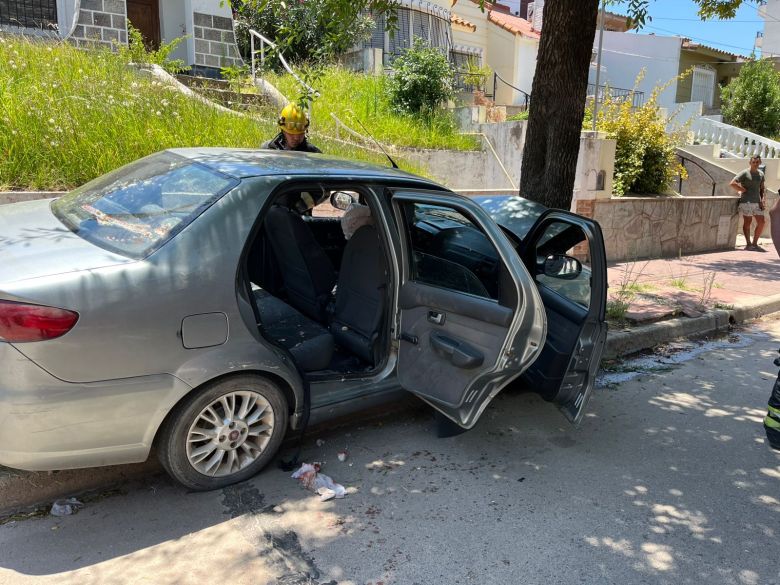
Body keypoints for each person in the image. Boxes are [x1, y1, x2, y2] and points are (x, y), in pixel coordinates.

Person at [729, 155, 767, 251]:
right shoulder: (745, 173)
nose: (755, 164)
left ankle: (755, 243)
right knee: (748, 222)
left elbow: (762, 188)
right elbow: (732, 183)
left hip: (757, 202)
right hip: (746, 202)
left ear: (760, 163)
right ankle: (748, 244)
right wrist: (742, 189)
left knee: (762, 222)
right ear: (750, 163)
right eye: (753, 162)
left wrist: (762, 200)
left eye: (757, 162)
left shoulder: (761, 174)